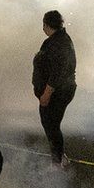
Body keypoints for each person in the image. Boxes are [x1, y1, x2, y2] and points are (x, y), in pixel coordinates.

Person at [32, 10, 77, 168]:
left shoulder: (58, 43)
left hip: (57, 93)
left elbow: (57, 73)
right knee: (51, 124)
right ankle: (60, 156)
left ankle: (56, 163)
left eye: (43, 24)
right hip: (59, 91)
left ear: (46, 24)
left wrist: (46, 93)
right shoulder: (58, 39)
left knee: (51, 125)